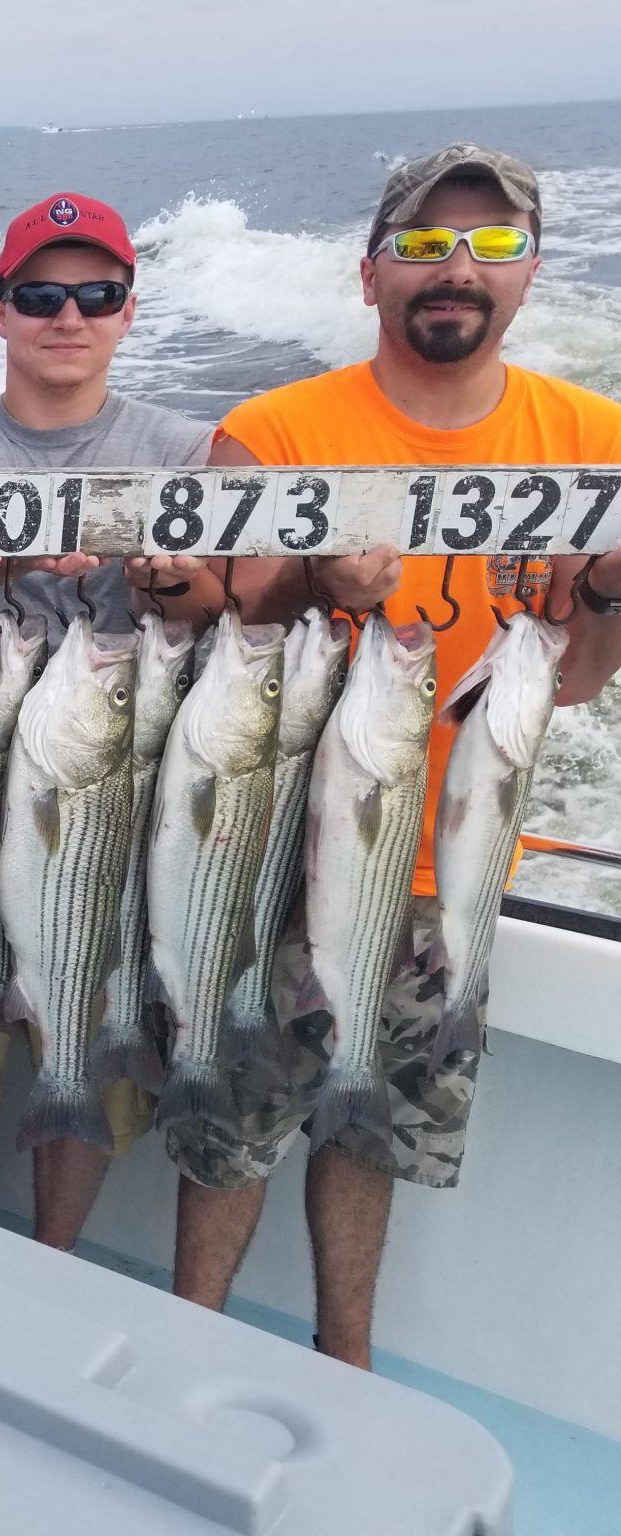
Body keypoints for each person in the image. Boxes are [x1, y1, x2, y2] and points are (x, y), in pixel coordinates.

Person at [172, 143, 621, 1370]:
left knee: (364, 1135)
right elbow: (226, 633)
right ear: (368, 275)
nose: (456, 272)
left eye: (490, 246)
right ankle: (184, 1353)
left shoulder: (593, 440)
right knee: (234, 1128)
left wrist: (608, 600)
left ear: (529, 272)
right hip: (272, 868)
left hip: (448, 875)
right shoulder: (270, 431)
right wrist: (318, 578)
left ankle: (348, 1366)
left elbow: (572, 681)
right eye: (423, 246)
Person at [0, 192, 217, 1250]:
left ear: (127, 310)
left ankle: (54, 1263)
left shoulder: (195, 451)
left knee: (89, 1030)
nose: (65, 315)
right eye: (38, 294)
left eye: (95, 293)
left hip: (116, 808)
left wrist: (186, 590)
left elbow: (241, 600)